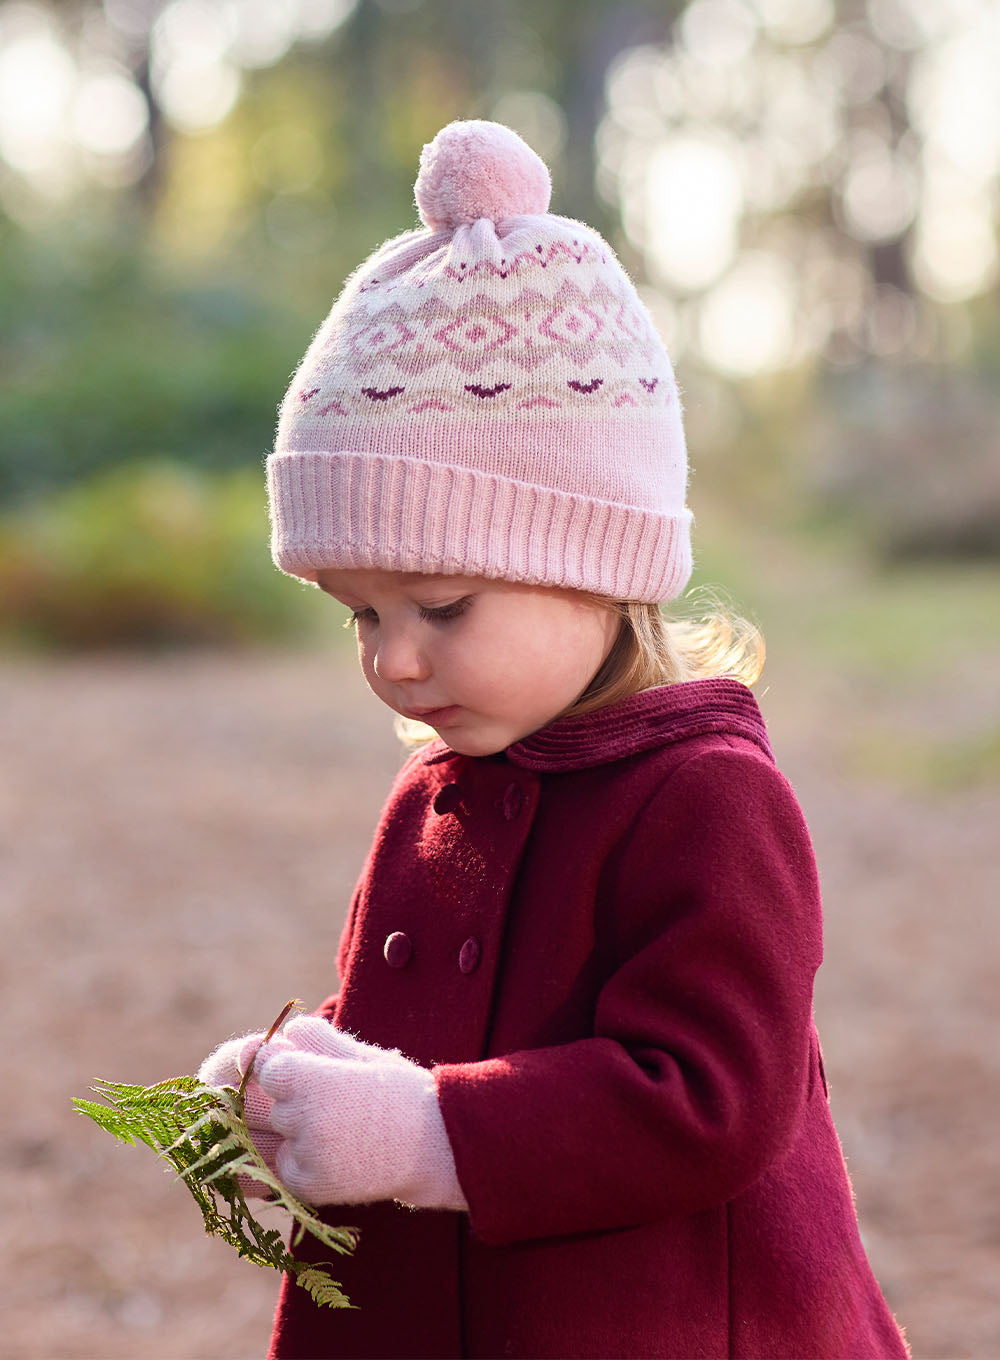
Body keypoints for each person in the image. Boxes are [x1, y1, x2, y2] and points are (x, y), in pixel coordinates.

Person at [198, 120, 910, 1359]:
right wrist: (311, 1077)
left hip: (660, 1321)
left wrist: (422, 1131)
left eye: (443, 606)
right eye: (361, 613)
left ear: (596, 564)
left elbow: (713, 1097)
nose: (393, 658)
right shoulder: (435, 795)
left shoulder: (706, 798)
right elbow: (427, 1037)